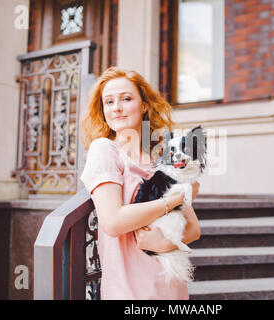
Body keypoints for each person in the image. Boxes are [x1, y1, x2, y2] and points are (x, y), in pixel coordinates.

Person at [79, 66, 201, 300]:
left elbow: (194, 228)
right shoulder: (105, 150)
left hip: (172, 288)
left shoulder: (162, 157)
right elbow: (113, 221)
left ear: (144, 105)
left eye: (126, 98)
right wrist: (176, 198)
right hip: (130, 292)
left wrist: (165, 242)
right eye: (109, 102)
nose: (117, 108)